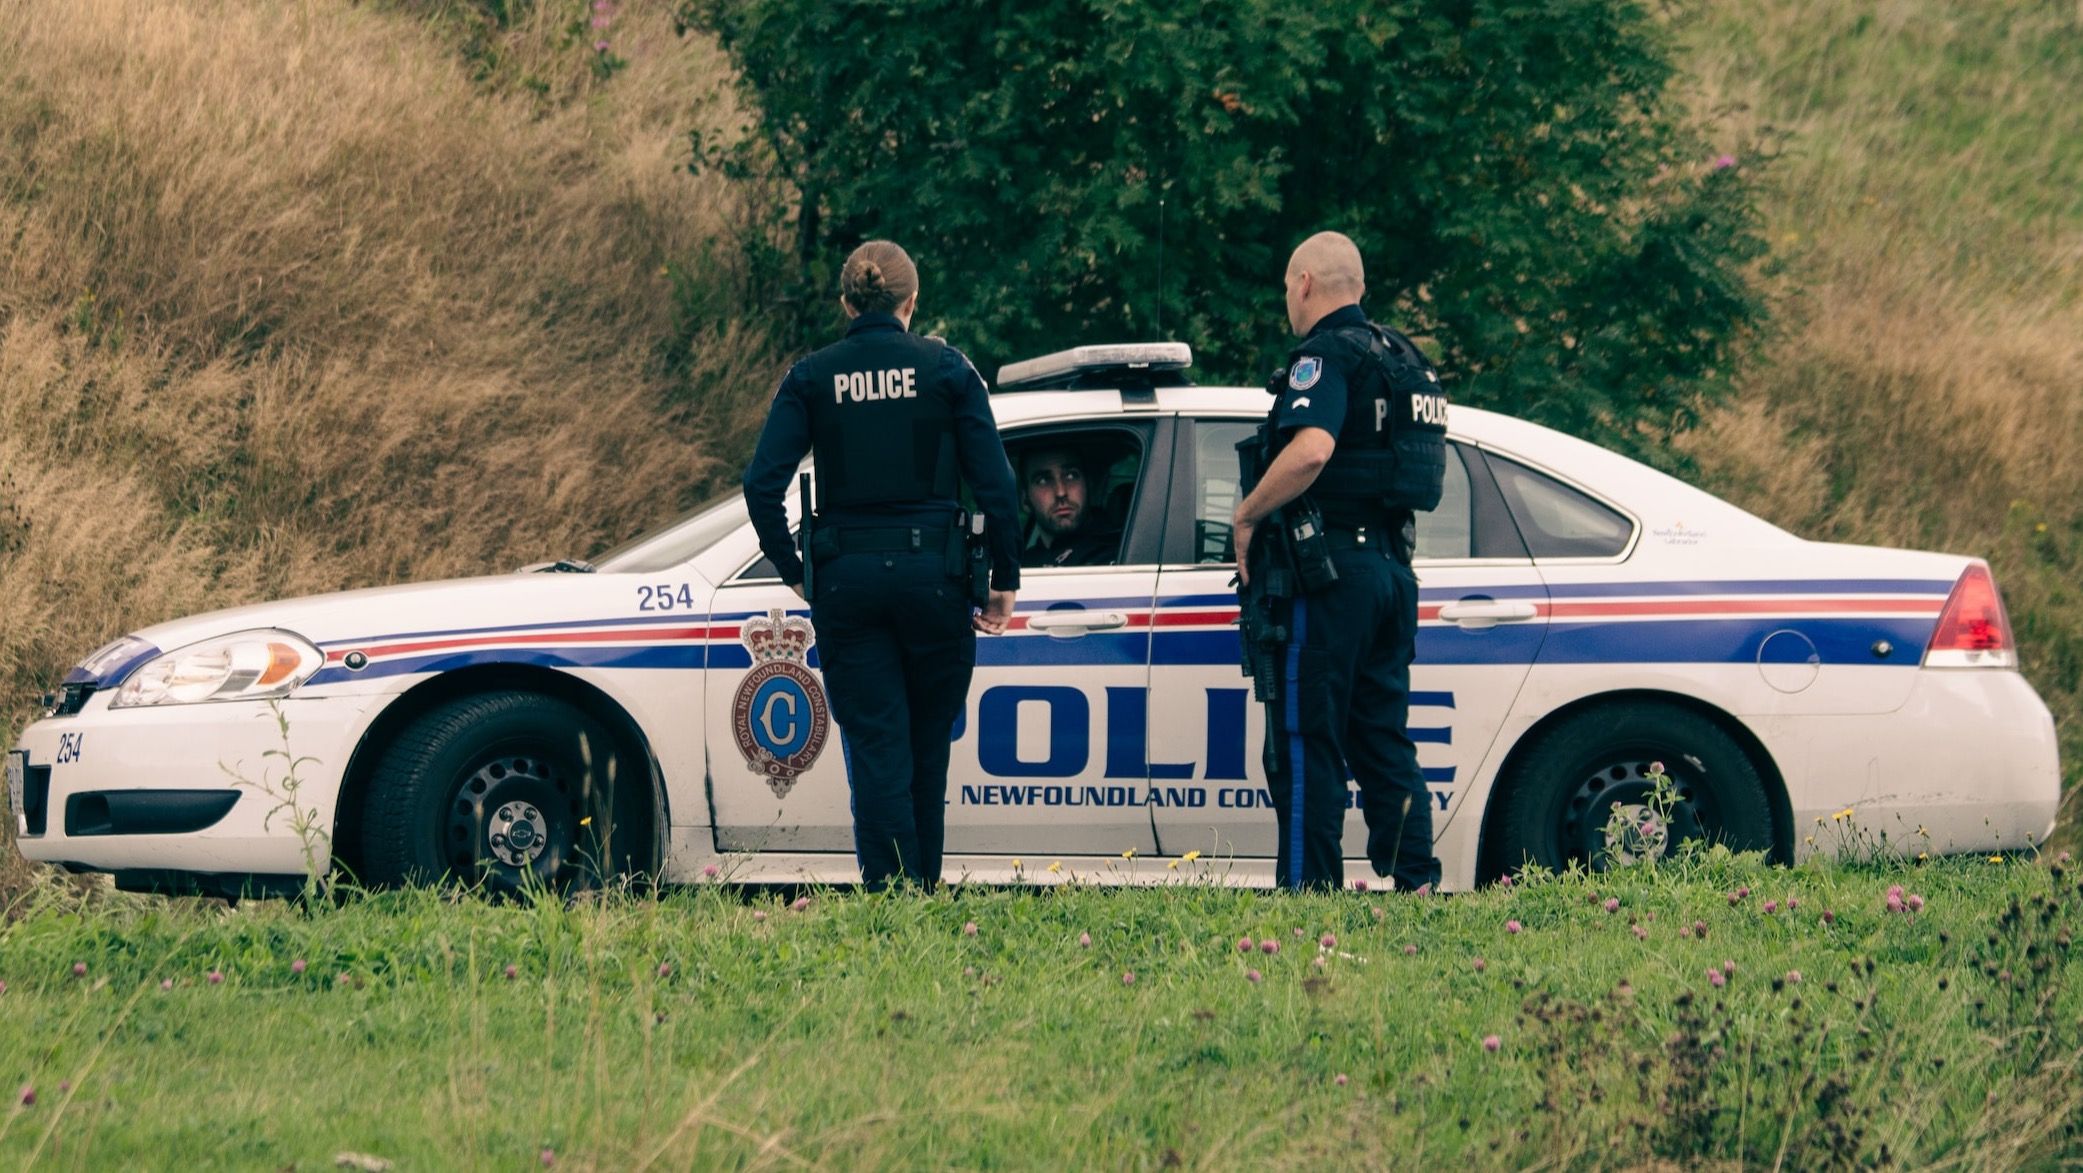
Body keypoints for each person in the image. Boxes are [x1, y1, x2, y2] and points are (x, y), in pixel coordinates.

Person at [741, 240, 1021, 893]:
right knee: (927, 745)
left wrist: (794, 569)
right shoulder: (949, 369)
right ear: (911, 300)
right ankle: (920, 891)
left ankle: (891, 898)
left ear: (846, 302)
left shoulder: (811, 376)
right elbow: (996, 484)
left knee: (876, 749)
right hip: (936, 578)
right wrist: (1003, 578)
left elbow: (761, 485)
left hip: (846, 582)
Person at [1231, 230, 1448, 893]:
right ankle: (1416, 884)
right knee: (1382, 739)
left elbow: (1311, 450)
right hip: (1390, 572)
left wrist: (1247, 514)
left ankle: (1307, 898)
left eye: (1285, 290)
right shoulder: (1404, 360)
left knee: (1304, 743)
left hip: (1328, 578)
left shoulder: (1324, 355)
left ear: (1303, 283)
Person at [1017, 444, 1123, 568]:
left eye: (1071, 476)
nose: (1061, 492)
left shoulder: (1120, 553)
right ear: (1025, 501)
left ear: (1088, 486)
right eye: (1043, 481)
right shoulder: (1022, 565)